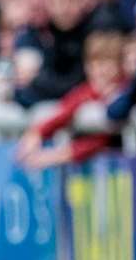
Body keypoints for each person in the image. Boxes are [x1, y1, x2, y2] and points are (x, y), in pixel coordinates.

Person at [15, 32, 127, 168]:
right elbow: (65, 111)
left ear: (121, 65)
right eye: (95, 63)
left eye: (108, 63)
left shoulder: (125, 92)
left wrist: (55, 156)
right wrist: (37, 133)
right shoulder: (87, 91)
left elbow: (101, 138)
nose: (101, 70)